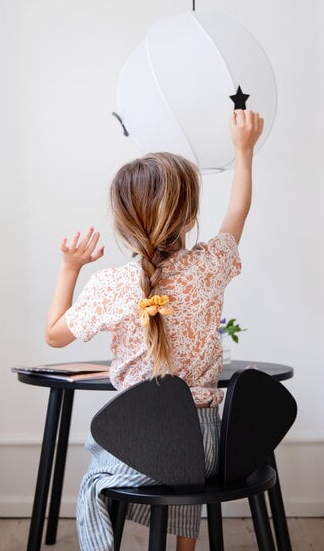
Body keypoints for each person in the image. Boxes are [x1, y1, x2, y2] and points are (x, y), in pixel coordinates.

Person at [45, 109, 264, 551]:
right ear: (189, 218)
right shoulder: (210, 267)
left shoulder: (110, 284)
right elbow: (238, 211)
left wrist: (69, 268)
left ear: (125, 224)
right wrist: (244, 151)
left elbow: (54, 335)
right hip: (207, 450)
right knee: (184, 458)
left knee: (94, 485)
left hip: (138, 446)